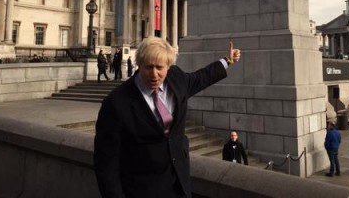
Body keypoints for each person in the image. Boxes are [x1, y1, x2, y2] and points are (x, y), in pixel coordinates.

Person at [94, 37, 241, 198]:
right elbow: (106, 164)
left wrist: (227, 61)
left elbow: (200, 78)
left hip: (179, 182)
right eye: (148, 67)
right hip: (141, 189)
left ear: (168, 66)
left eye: (159, 67)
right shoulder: (116, 103)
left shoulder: (176, 78)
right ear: (139, 64)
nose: (154, 74)